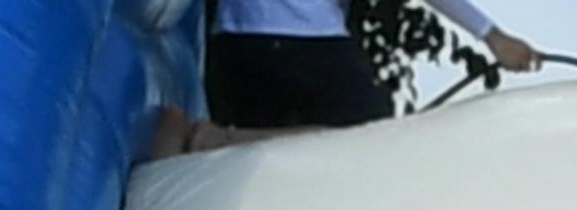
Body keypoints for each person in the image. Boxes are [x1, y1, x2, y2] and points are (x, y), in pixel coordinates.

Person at [192, 0, 542, 137]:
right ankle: (218, 140)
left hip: (234, 48)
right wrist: (492, 36)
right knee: (369, 138)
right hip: (308, 43)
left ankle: (224, 140)